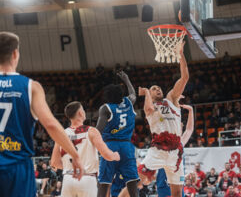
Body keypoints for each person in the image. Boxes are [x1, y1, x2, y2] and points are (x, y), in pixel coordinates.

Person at [0, 31, 83, 197]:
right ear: (15, 54)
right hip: (18, 166)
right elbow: (51, 125)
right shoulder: (30, 87)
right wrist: (74, 155)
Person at [138, 41, 189, 197]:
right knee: (138, 180)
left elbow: (185, 77)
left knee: (177, 193)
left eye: (158, 87)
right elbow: (147, 108)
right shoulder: (150, 107)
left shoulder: (171, 98)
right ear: (151, 95)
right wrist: (146, 92)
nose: (157, 89)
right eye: (154, 89)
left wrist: (181, 54)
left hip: (176, 152)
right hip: (158, 150)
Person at [51, 101, 120, 197]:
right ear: (80, 113)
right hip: (87, 179)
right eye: (83, 109)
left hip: (68, 179)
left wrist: (69, 167)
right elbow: (107, 155)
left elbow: (54, 162)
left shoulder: (62, 134)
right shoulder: (91, 131)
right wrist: (115, 156)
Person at [96, 71, 139, 197]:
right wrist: (127, 79)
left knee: (104, 182)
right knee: (132, 182)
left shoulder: (106, 108)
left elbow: (98, 131)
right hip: (127, 146)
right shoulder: (128, 102)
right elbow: (133, 93)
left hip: (110, 146)